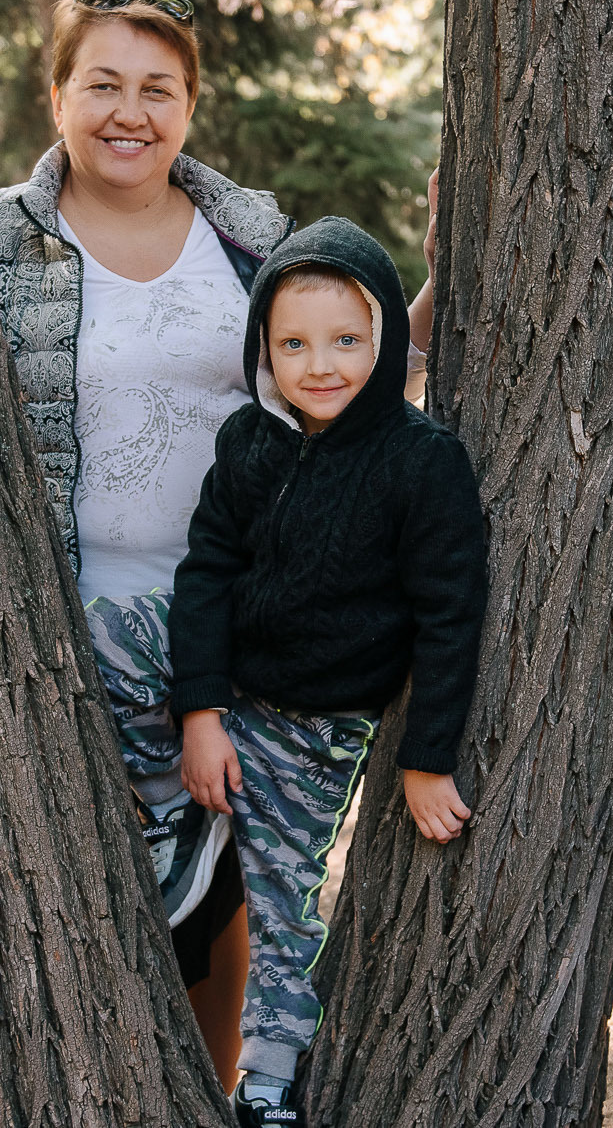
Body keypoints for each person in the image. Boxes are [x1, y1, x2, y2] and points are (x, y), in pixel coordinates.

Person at [0, 0, 436, 1082]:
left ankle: (218, 1091)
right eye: (101, 84)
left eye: (158, 88)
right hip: (75, 626)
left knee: (224, 873)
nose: (128, 112)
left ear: (189, 105)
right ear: (56, 96)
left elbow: (345, 379)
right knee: (111, 887)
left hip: (240, 613)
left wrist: (440, 268)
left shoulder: (249, 239)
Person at [170, 217, 488, 1128]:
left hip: (320, 725)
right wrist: (200, 710)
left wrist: (426, 757)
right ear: (262, 347)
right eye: (294, 342)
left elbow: (448, 617)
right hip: (229, 700)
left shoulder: (421, 462)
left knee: (279, 894)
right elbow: (205, 572)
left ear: (386, 337)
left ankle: (267, 1081)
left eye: (347, 340)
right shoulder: (249, 441)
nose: (321, 364)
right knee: (163, 854)